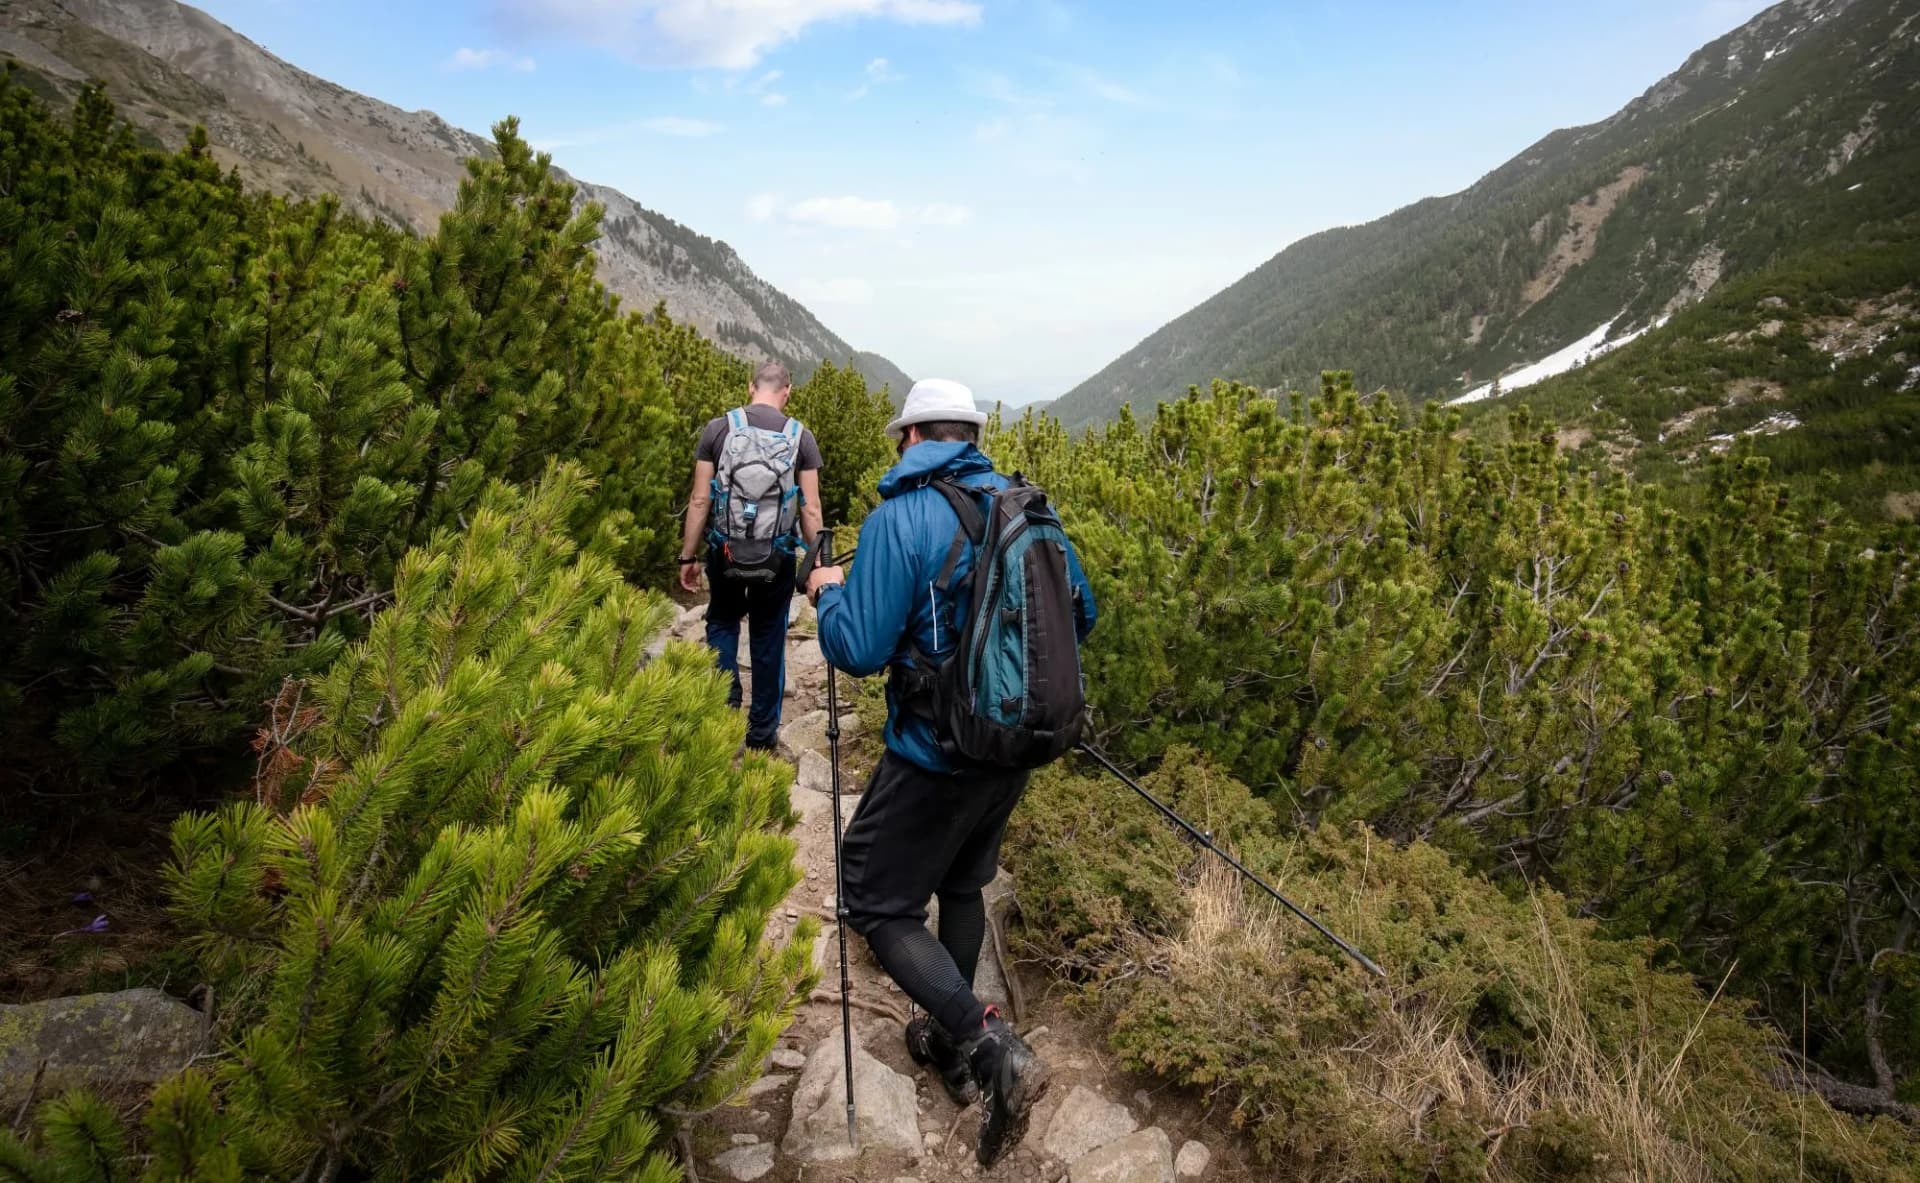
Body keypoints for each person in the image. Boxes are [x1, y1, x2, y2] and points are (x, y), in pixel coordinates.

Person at [804, 377, 1097, 1167]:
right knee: (962, 886)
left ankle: (985, 1041)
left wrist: (827, 594)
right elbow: (1085, 612)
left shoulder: (902, 517)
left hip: (932, 755)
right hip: (1010, 750)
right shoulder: (1031, 508)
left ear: (910, 438)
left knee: (874, 899)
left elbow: (858, 649)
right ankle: (946, 1041)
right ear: (968, 434)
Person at [680, 361, 824, 751]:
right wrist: (819, 564)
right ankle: (761, 736)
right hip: (775, 557)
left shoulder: (718, 429)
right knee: (767, 636)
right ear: (787, 392)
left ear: (750, 388)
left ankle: (722, 716)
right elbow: (810, 510)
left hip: (725, 552)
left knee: (722, 624)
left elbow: (699, 499)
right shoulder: (800, 437)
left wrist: (687, 557)